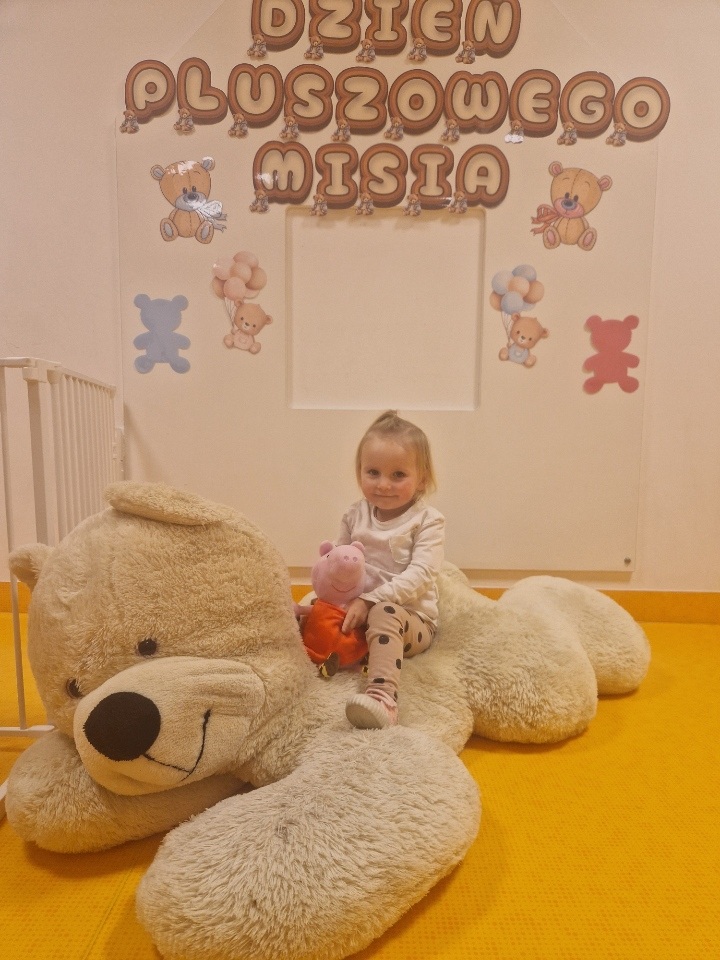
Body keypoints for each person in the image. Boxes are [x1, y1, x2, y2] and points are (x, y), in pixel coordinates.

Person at [338, 410, 445, 729]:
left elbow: (422, 575)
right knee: (319, 610)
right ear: (359, 471)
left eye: (398, 475)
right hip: (361, 609)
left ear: (421, 479)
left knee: (384, 613)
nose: (383, 484)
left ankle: (382, 698)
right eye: (373, 472)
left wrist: (370, 600)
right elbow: (340, 564)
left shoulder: (427, 521)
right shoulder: (354, 515)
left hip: (410, 620)